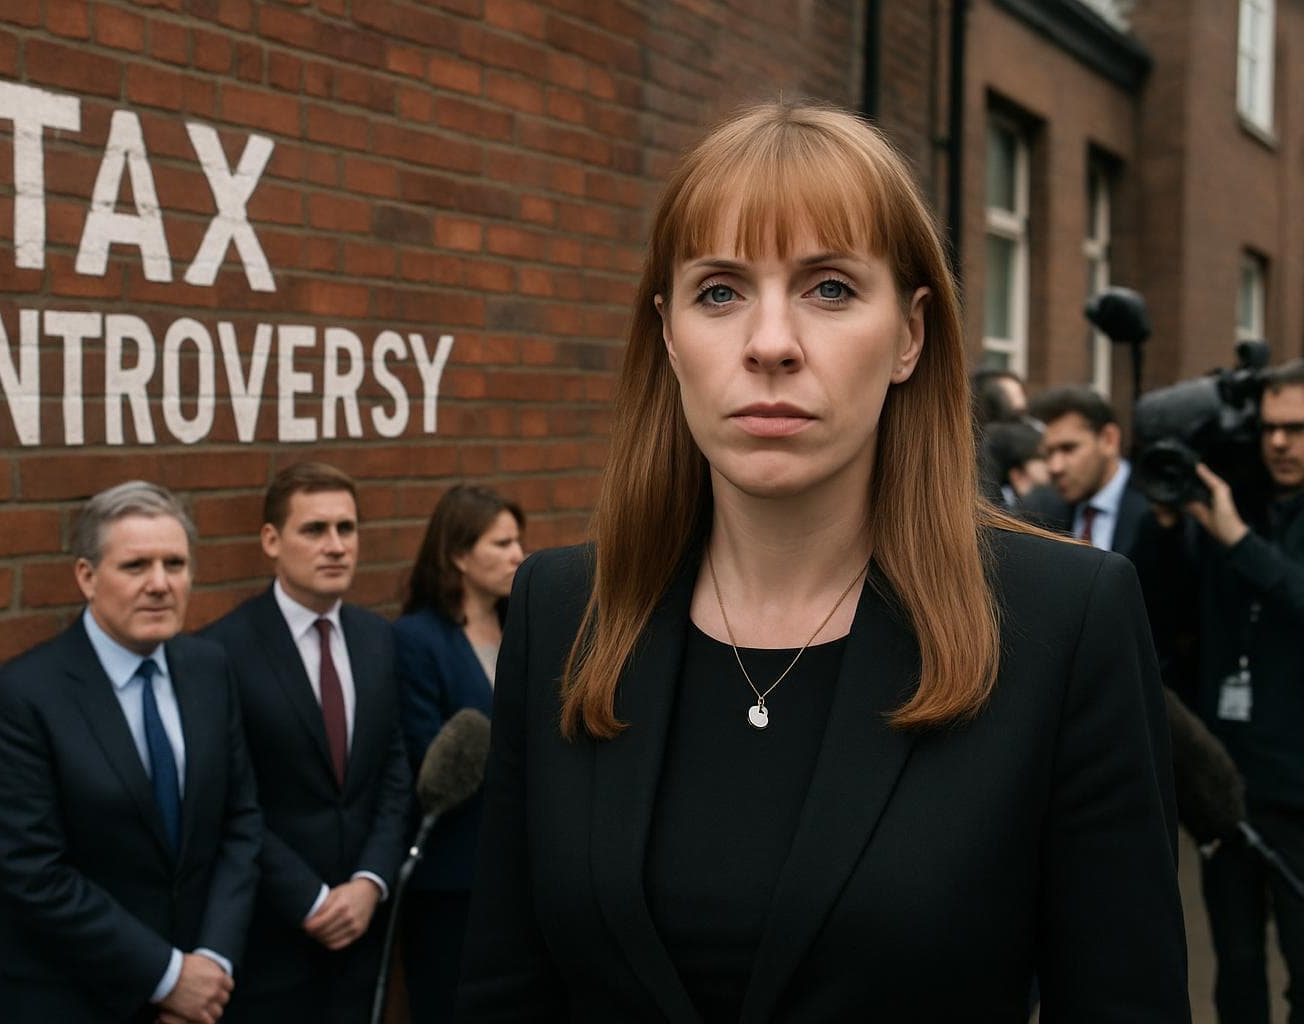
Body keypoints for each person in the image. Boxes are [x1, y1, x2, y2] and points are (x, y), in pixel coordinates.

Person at [456, 102, 1188, 1022]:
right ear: (669, 335)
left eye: (830, 288)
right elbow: (504, 991)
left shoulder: (1062, 621)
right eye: (719, 291)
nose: (769, 343)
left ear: (911, 336)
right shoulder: (564, 611)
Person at [0, 480, 262, 1024]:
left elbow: (241, 824)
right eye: (135, 566)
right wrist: (168, 976)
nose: (160, 584)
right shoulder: (20, 698)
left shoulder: (210, 670)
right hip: (70, 1001)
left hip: (203, 998)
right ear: (86, 576)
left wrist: (211, 967)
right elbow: (32, 874)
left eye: (175, 564)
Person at [200, 461, 411, 1024]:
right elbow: (224, 799)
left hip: (366, 931)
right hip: (272, 935)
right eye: (314, 530)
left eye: (347, 529)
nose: (336, 546)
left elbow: (394, 770)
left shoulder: (377, 638)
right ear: (271, 540)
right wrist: (311, 900)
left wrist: (371, 882)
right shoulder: (220, 652)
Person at [1134, 359, 1304, 1023]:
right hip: (1226, 782)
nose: (1280, 443)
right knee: (1235, 966)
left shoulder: (1242, 528)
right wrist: (1170, 525)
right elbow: (1161, 612)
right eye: (1269, 429)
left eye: (1296, 429)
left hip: (1297, 790)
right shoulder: (1234, 497)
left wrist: (1238, 543)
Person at [393, 484, 526, 1023]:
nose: (519, 555)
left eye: (519, 540)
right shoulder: (418, 640)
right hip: (453, 875)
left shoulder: (525, 624)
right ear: (458, 554)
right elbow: (431, 757)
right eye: (502, 543)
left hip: (524, 868)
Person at [1029, 384, 1150, 554]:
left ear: (1109, 439)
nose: (1055, 467)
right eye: (1048, 453)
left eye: (1068, 448)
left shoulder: (1155, 506)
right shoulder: (1042, 512)